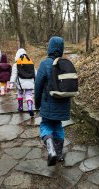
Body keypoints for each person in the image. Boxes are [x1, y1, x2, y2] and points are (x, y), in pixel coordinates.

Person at [35, 36, 70, 166]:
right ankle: (59, 154)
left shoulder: (45, 64)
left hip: (48, 104)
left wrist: (37, 104)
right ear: (61, 49)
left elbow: (38, 86)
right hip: (63, 105)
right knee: (58, 126)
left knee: (45, 125)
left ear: (49, 48)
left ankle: (51, 149)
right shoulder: (65, 63)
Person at [8, 48, 35, 116]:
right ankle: (29, 107)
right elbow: (35, 72)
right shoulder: (30, 62)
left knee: (20, 93)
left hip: (20, 83)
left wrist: (11, 83)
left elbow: (14, 74)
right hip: (30, 82)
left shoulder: (16, 64)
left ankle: (20, 107)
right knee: (28, 95)